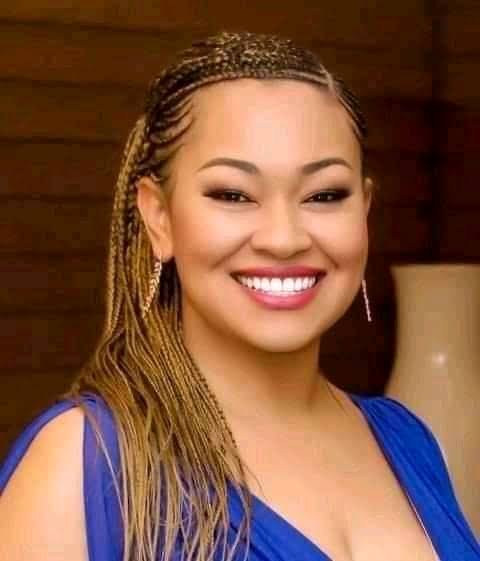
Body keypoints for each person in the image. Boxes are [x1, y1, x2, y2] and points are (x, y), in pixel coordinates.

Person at [0, 30, 478, 561]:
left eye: (325, 195)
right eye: (233, 195)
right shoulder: (85, 466)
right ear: (159, 216)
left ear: (363, 210)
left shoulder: (407, 439)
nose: (284, 239)